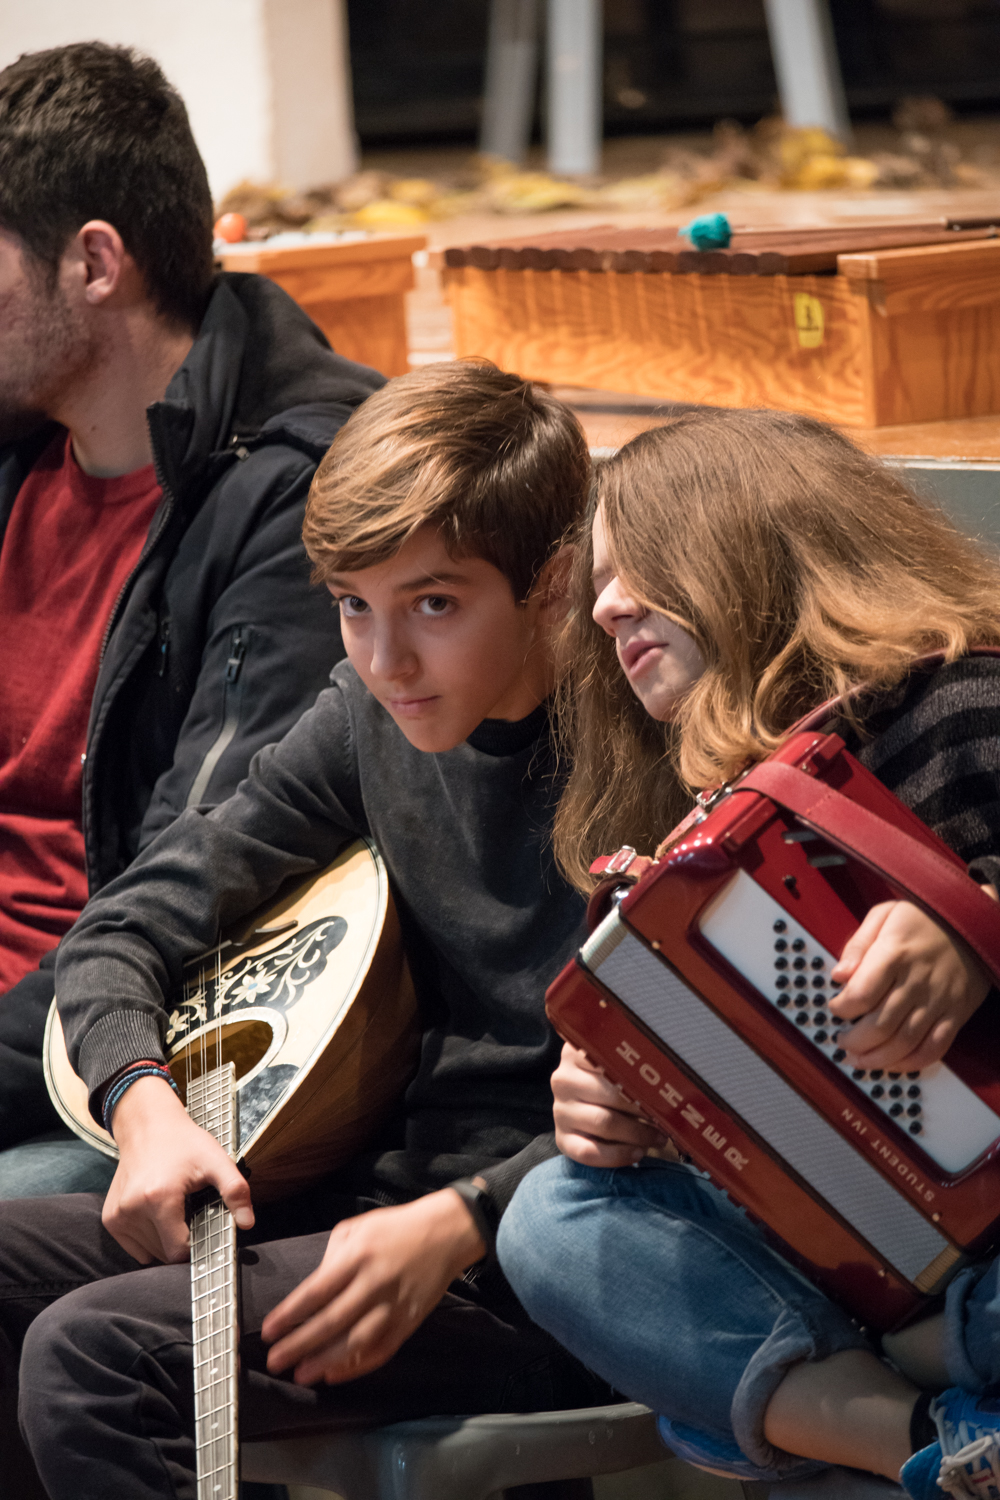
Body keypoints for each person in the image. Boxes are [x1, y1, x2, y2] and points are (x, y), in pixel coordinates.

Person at [0, 359, 614, 1500]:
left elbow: (684, 1100)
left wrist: (461, 1221)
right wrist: (145, 1111)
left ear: (553, 581)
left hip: (546, 1258)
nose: (386, 659)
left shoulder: (642, 749)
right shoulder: (369, 714)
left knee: (92, 1359)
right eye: (352, 605)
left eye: (434, 604)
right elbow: (124, 924)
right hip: (361, 1199)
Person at [494, 407, 1000, 1500]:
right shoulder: (685, 821)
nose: (603, 607)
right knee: (553, 1222)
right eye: (599, 583)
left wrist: (978, 927)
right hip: (844, 1268)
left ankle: (855, 1392)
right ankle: (924, 1434)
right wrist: (628, 1107)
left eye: (639, 565)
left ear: (743, 539)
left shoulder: (959, 699)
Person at [0, 41, 383, 1197]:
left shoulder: (297, 487)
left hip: (113, 1047)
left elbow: (191, 883)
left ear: (94, 263)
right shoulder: (22, 447)